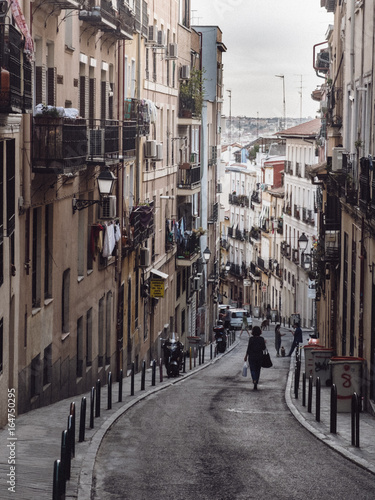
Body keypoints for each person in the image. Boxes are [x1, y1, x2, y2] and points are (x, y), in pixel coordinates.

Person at [244, 326, 266, 390]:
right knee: (258, 369)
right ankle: (256, 380)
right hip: (259, 356)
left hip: (252, 356)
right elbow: (264, 348)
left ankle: (254, 379)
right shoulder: (261, 339)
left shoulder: (251, 339)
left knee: (252, 369)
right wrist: (263, 343)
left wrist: (246, 356)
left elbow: (248, 348)